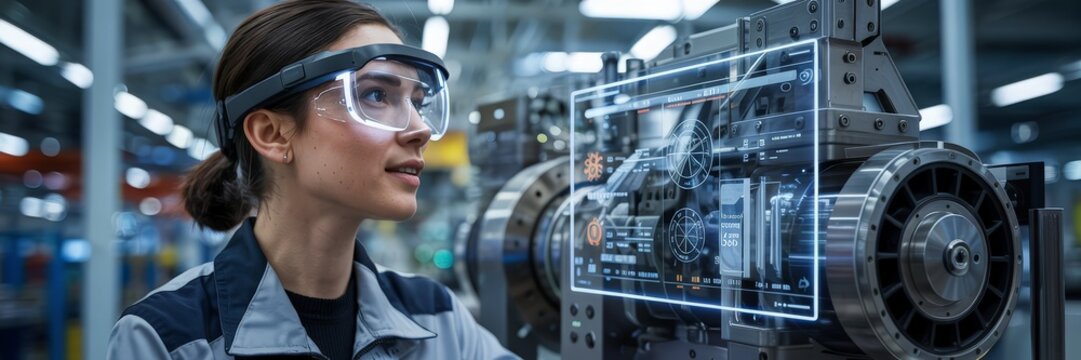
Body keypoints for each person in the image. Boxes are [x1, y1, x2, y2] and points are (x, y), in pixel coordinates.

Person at [106, 1, 518, 359]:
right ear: (272, 134)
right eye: (376, 95)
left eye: (418, 103)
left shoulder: (437, 317)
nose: (420, 129)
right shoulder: (166, 338)